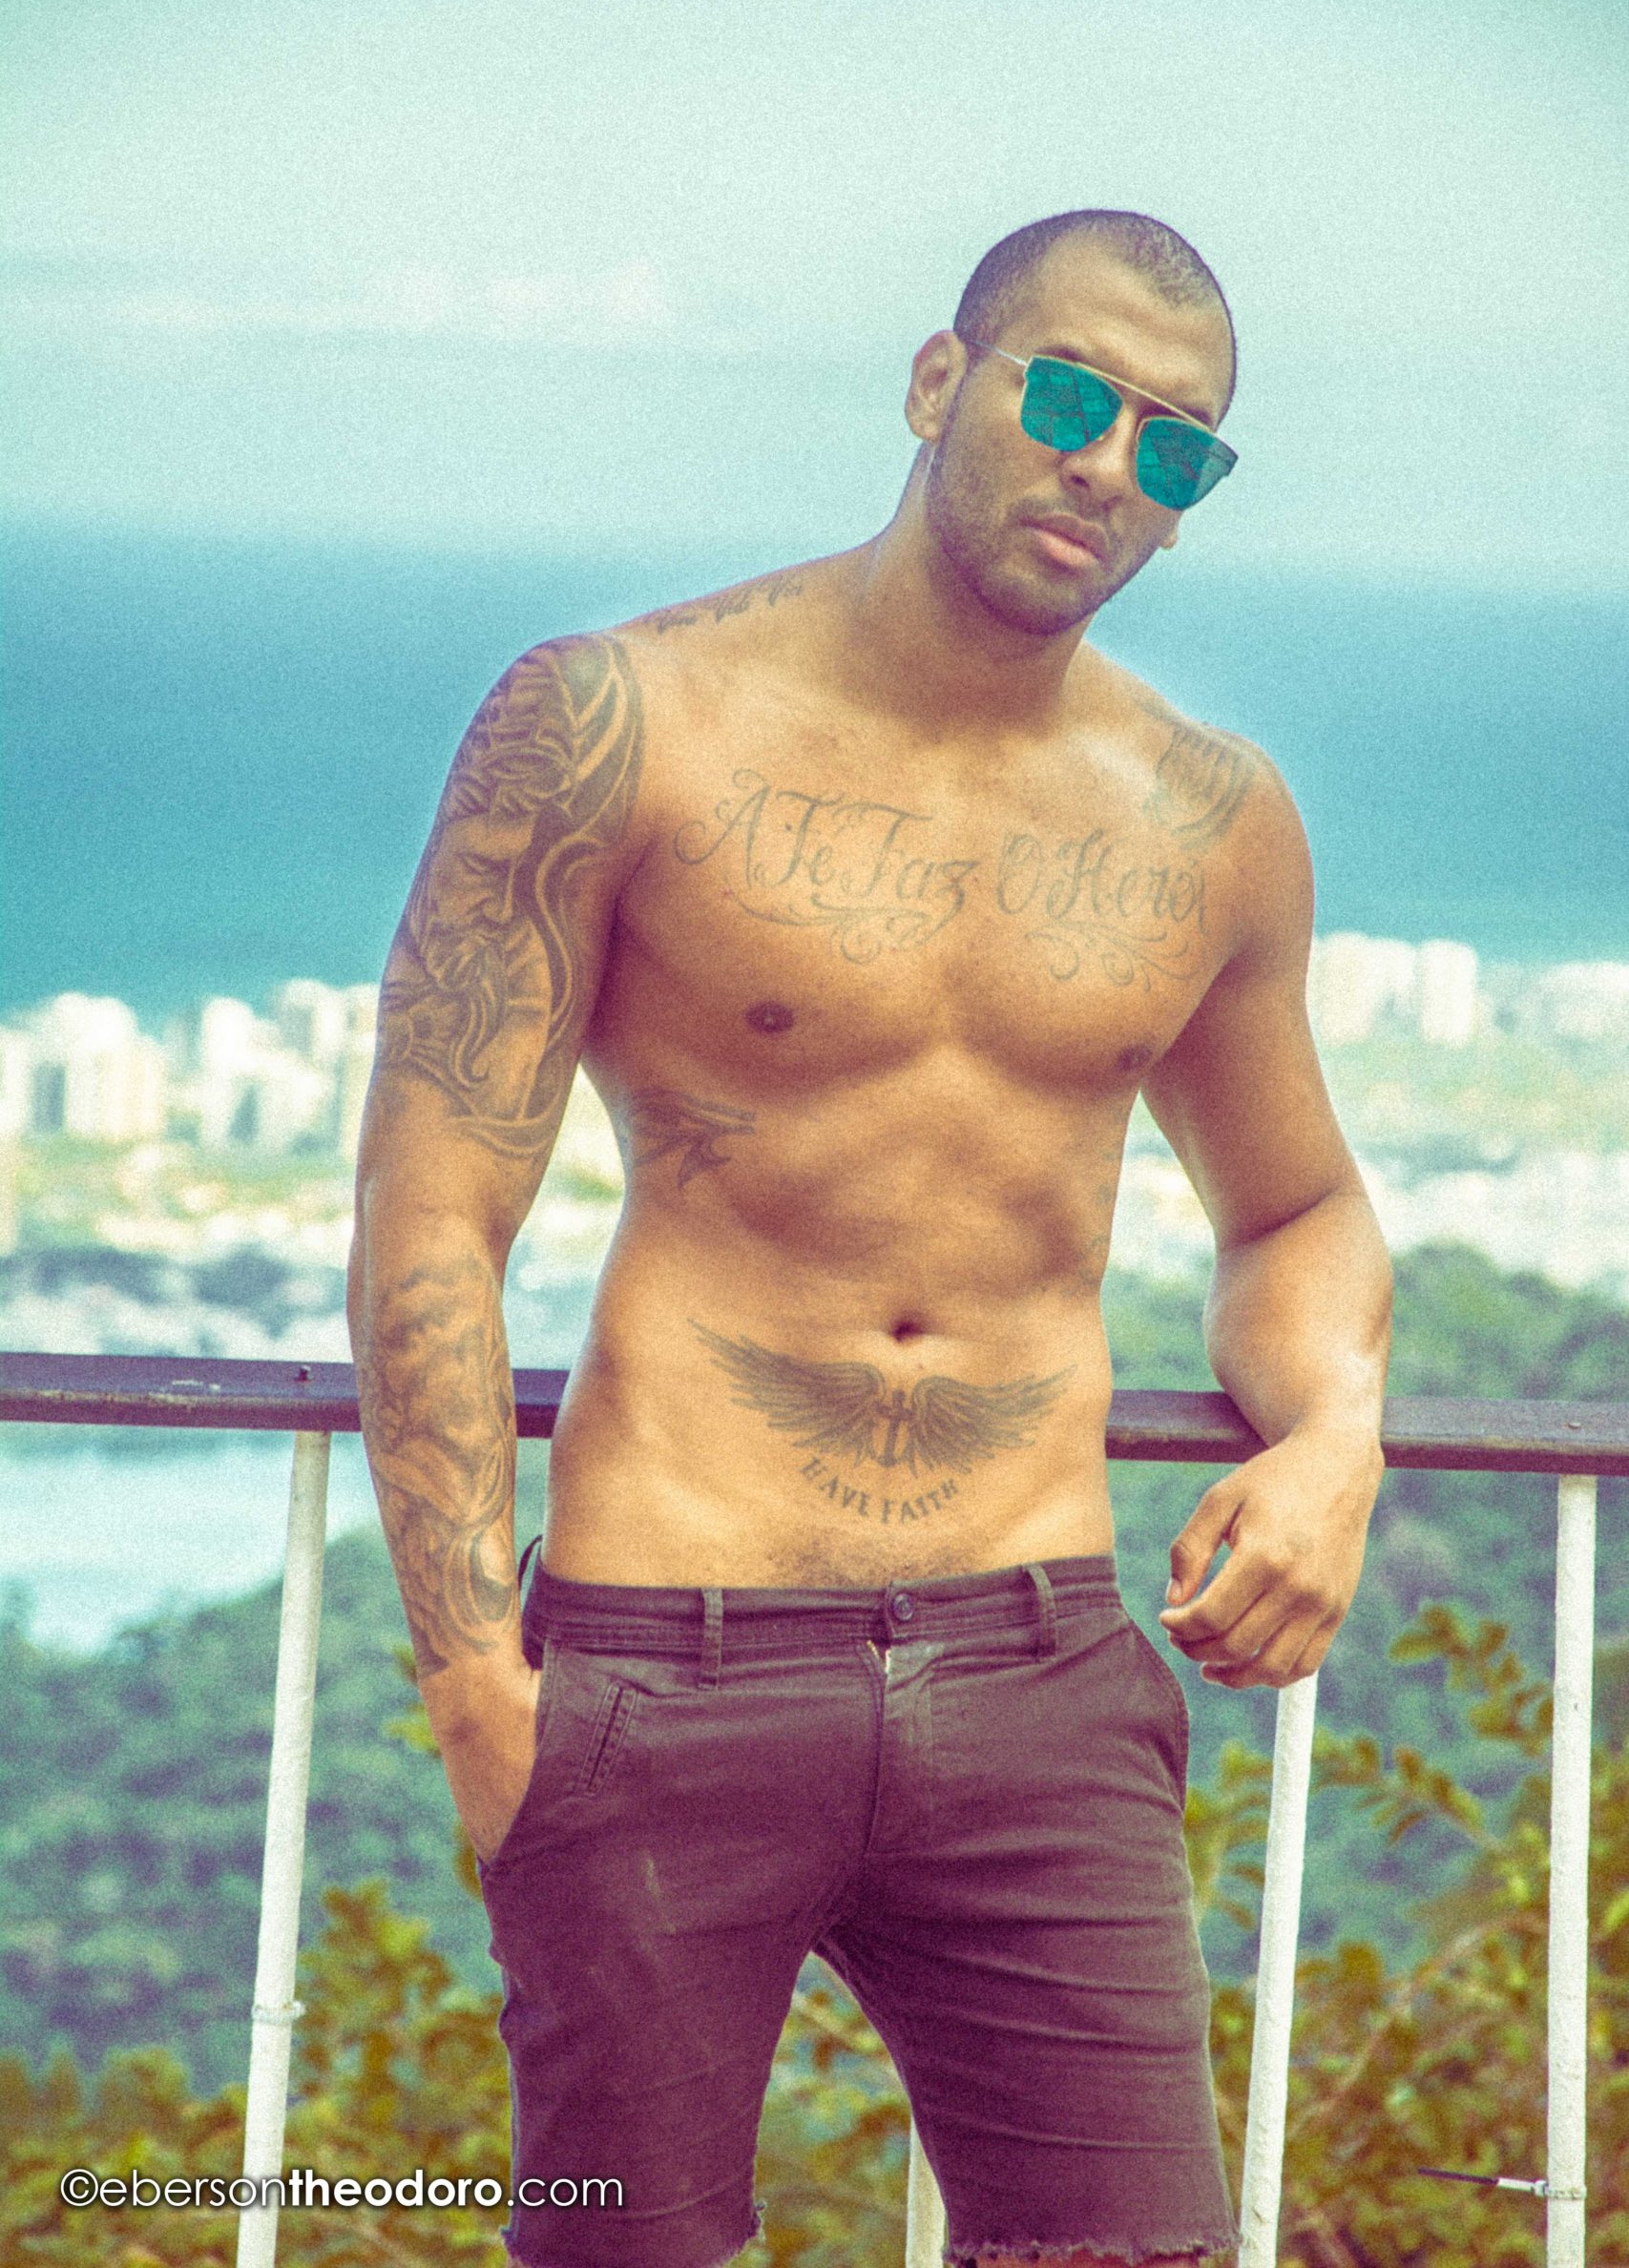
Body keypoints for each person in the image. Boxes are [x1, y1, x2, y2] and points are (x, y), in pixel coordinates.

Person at [348, 207, 1391, 2268]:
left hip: (1040, 1674)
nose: (1107, 464)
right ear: (940, 383)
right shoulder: (619, 720)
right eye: (1068, 395)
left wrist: (1332, 1433)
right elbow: (434, 1205)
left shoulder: (1209, 816)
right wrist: (477, 1684)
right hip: (667, 1666)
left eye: (1174, 445)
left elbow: (1296, 1210)